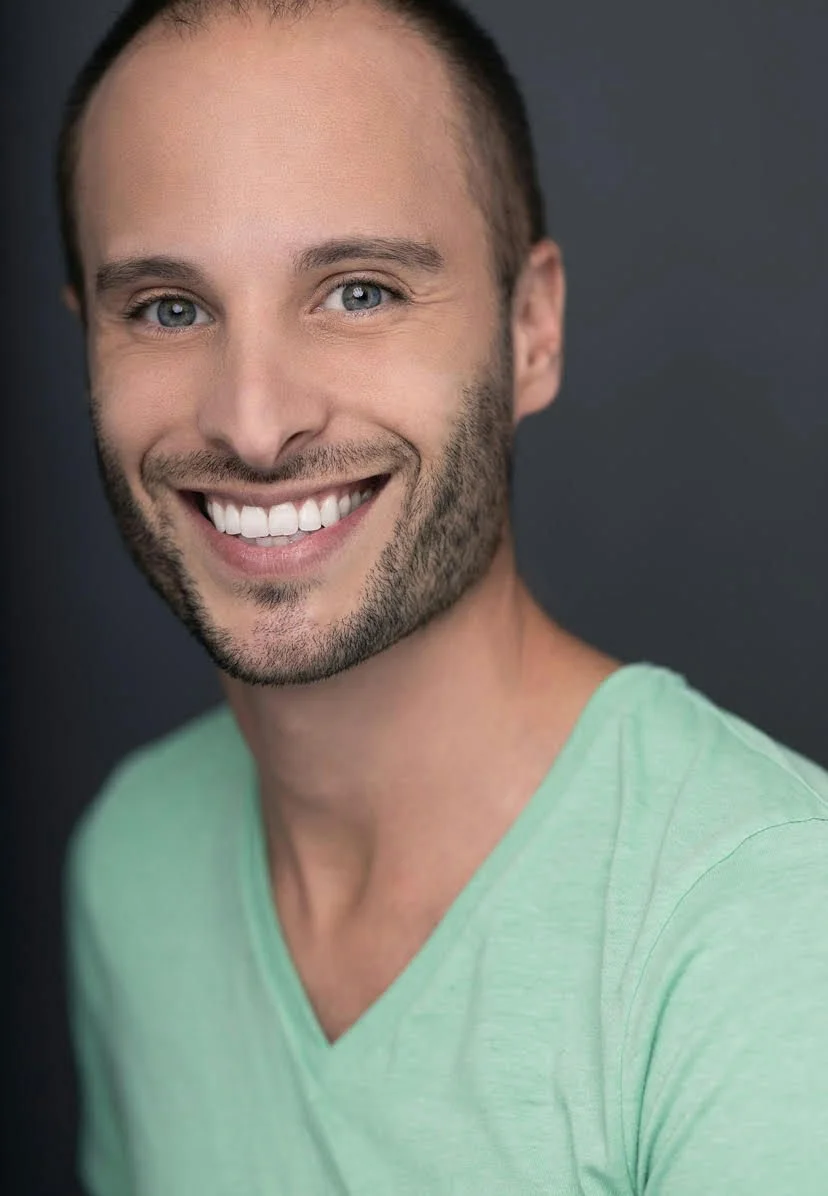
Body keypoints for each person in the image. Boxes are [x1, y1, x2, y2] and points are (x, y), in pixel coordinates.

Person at [59, 0, 828, 1192]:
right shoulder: (131, 861)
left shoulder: (770, 922)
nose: (254, 422)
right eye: (169, 308)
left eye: (359, 291)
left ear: (530, 329)